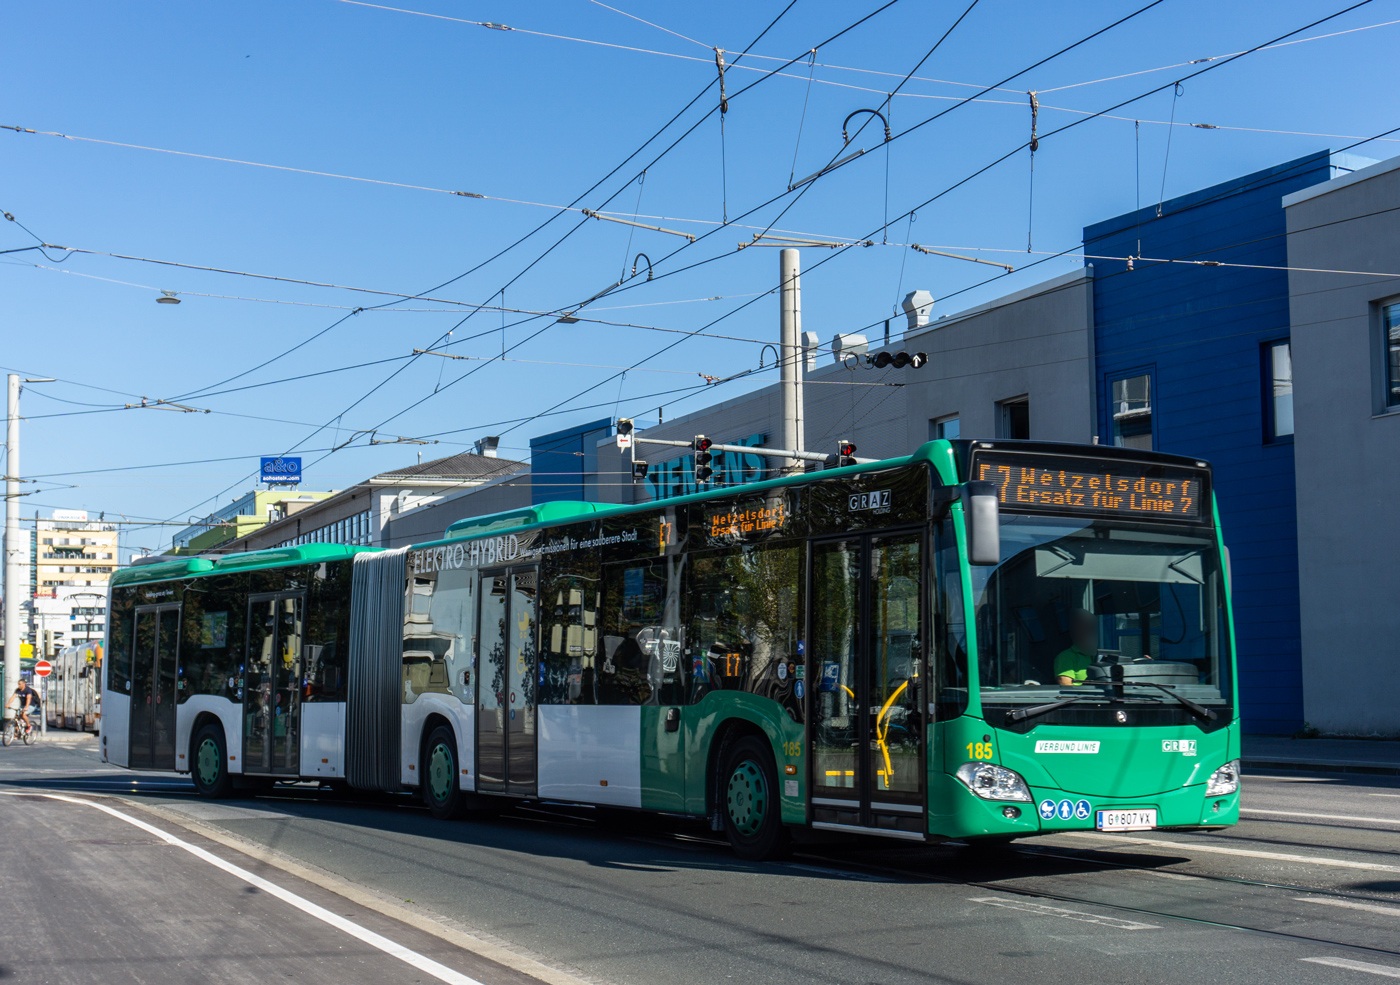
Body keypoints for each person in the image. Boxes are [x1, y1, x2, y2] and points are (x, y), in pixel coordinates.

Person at [1054, 609, 1099, 686]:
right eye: (1084, 627)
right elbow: (1066, 687)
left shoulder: (1103, 655)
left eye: (1092, 627)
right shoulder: (1066, 657)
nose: (1089, 631)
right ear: (1074, 631)